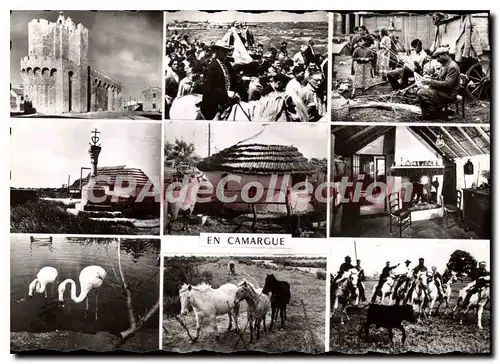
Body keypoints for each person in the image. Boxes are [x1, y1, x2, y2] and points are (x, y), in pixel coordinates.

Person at [200, 40, 241, 120]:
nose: (226, 53)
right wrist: (226, 93)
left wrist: (236, 92)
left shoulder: (227, 65)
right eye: (224, 51)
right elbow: (208, 90)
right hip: (214, 105)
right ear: (217, 51)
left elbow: (235, 80)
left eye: (227, 51)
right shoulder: (210, 68)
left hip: (228, 102)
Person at [416, 47, 460, 120]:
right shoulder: (446, 64)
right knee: (420, 89)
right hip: (443, 90)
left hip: (448, 93)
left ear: (445, 54)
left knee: (421, 93)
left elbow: (448, 83)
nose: (437, 60)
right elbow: (440, 78)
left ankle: (435, 113)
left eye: (438, 57)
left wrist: (431, 82)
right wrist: (430, 79)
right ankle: (432, 111)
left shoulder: (452, 66)